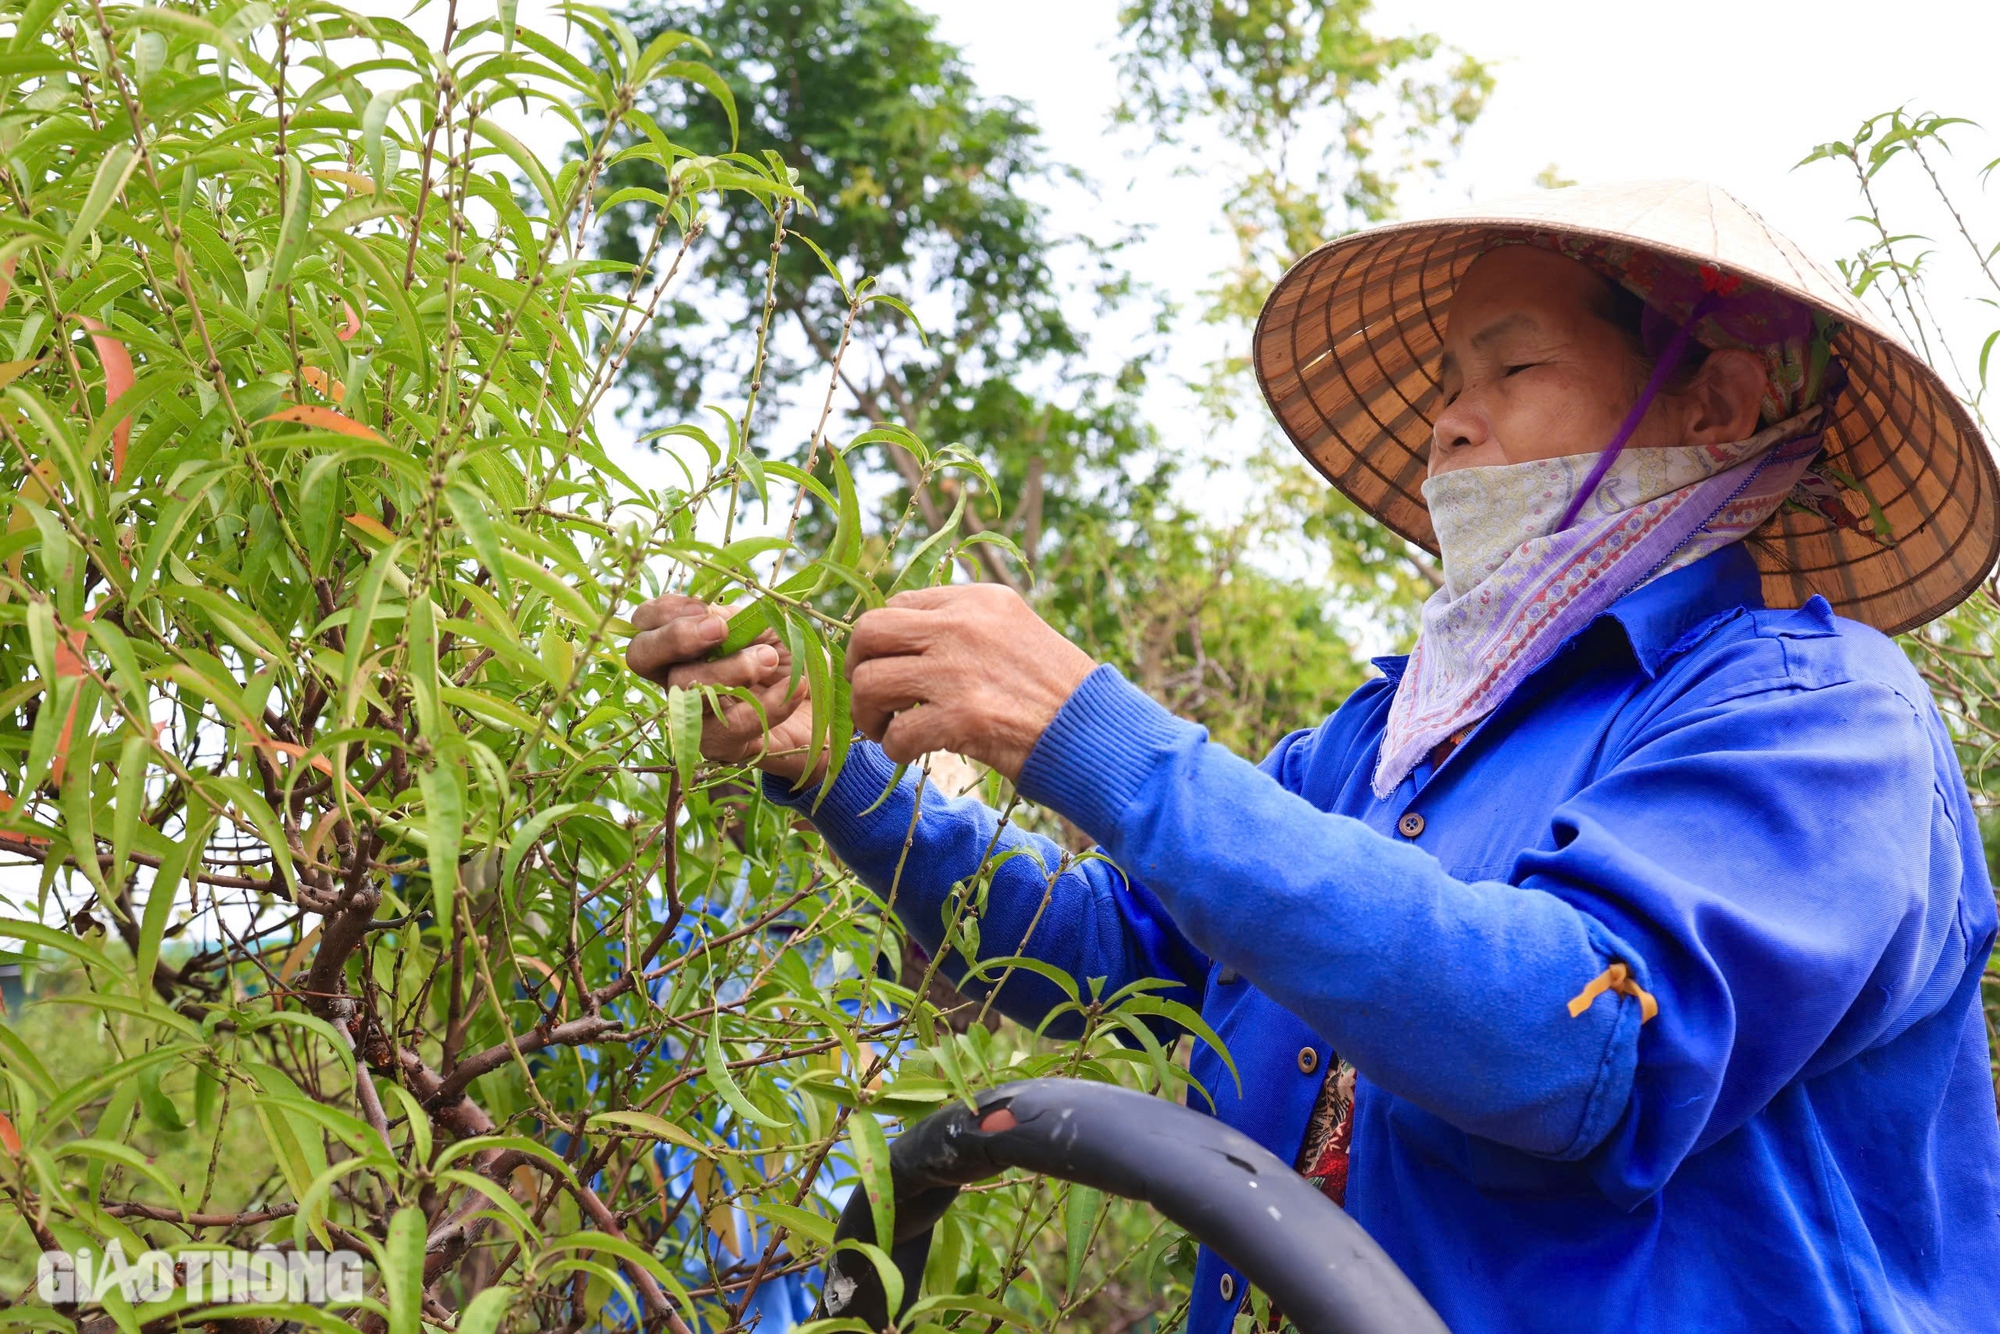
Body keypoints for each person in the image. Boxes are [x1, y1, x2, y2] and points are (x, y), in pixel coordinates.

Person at [626, 181, 2000, 1333]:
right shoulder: (1383, 743)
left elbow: (1579, 1038)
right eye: (1447, 386)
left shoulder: (1821, 718)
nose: (1449, 423)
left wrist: (1093, 729)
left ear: (1719, 402)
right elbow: (1111, 952)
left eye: (1513, 370)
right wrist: (828, 770)